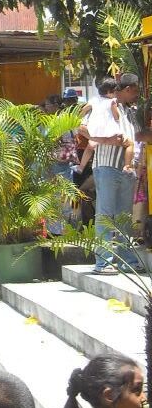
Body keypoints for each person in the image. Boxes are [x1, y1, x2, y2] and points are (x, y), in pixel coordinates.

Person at [86, 73, 151, 274]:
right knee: (105, 215)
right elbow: (82, 128)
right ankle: (103, 263)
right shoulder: (104, 105)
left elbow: (138, 134)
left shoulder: (131, 112)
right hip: (106, 167)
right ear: (127, 89)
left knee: (124, 216)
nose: (137, 95)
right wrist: (106, 141)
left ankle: (128, 261)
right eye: (135, 91)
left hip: (126, 169)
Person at [78, 78, 134, 175]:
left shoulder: (94, 99)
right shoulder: (112, 101)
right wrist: (118, 121)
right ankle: (127, 165)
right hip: (109, 131)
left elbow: (84, 110)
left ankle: (81, 167)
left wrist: (79, 118)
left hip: (94, 131)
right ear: (110, 91)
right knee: (130, 144)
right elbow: (116, 116)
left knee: (90, 146)